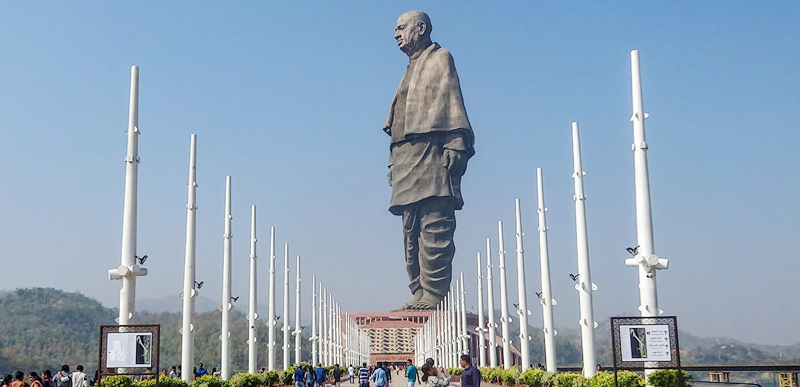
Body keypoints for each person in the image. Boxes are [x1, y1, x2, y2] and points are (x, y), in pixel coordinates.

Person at [385, 10, 475, 310]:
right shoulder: (409, 69)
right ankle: (419, 290)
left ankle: (434, 293)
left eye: (401, 28)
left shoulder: (440, 58)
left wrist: (456, 143)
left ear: (420, 28)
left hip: (432, 153)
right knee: (410, 230)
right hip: (405, 157)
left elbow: (452, 102)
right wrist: (391, 162)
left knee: (435, 224)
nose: (396, 34)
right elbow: (398, 119)